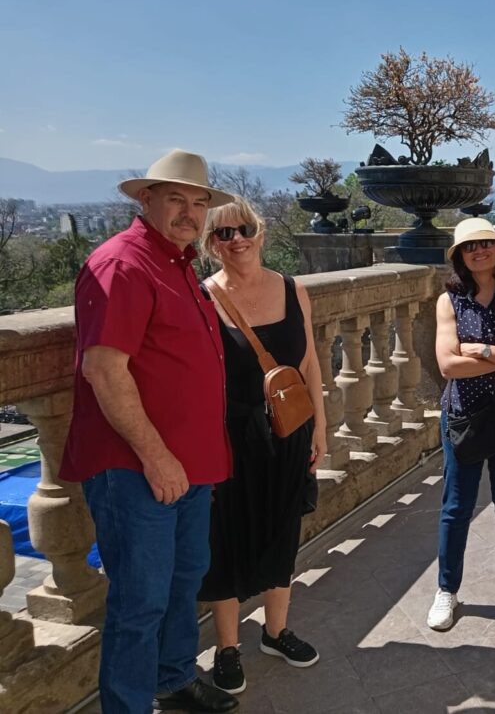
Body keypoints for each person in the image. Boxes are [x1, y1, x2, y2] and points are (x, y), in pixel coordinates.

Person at [59, 149, 240, 714]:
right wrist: (157, 457)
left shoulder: (179, 264)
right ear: (146, 200)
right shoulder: (123, 264)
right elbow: (104, 370)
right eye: (176, 200)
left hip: (190, 465)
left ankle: (173, 678)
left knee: (184, 581)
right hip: (137, 467)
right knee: (139, 602)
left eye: (198, 202)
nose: (189, 212)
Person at [197, 196, 326, 694]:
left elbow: (309, 363)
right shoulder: (204, 297)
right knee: (224, 540)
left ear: (261, 231)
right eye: (223, 234)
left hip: (289, 432)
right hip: (228, 439)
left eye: (244, 228)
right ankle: (227, 647)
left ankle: (276, 631)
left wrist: (319, 425)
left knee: (281, 529)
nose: (237, 240)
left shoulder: (293, 290)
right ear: (211, 245)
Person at [427, 217, 495, 630]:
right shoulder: (449, 301)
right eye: (469, 247)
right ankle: (447, 590)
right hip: (464, 416)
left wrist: (482, 349)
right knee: (456, 507)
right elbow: (448, 364)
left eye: (486, 244)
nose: (479, 251)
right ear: (459, 257)